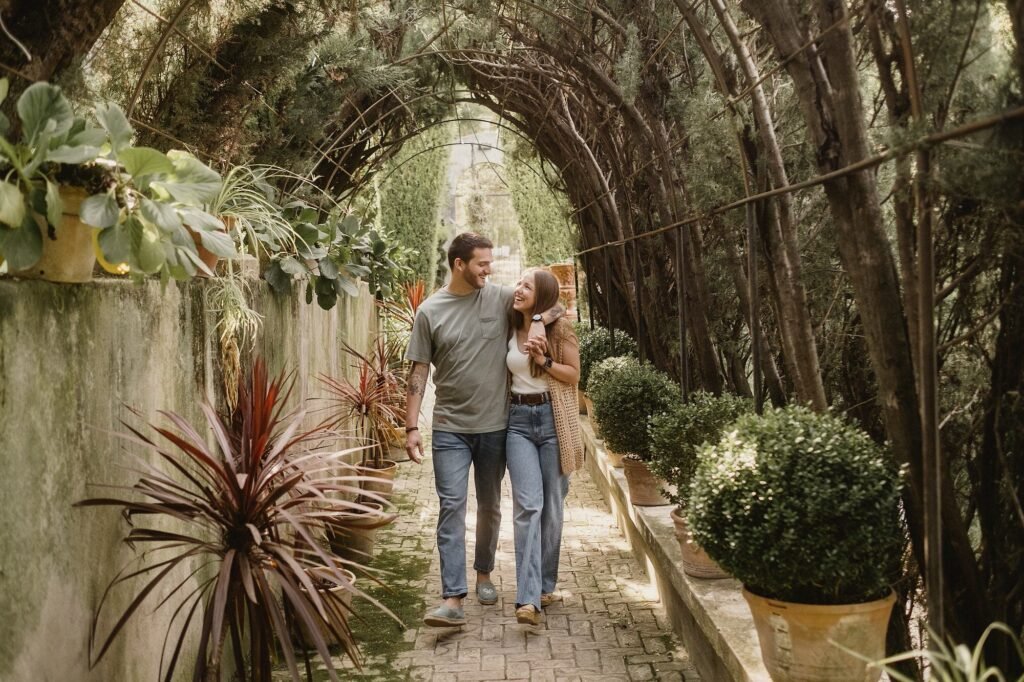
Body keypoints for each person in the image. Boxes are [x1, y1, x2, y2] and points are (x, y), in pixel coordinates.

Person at [404, 232, 563, 627]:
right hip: (449, 427)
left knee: (490, 506)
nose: (488, 270)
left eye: (490, 263)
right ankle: (452, 598)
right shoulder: (430, 311)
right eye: (482, 264)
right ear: (459, 264)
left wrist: (541, 320)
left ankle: (484, 573)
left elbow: (550, 301)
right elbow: (418, 371)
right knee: (451, 507)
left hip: (497, 426)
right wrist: (410, 426)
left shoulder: (498, 297)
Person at [504, 268, 583, 626]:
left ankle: (546, 584)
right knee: (528, 506)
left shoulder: (560, 329)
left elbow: (573, 375)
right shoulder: (508, 323)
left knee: (552, 506)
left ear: (543, 295)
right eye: (518, 283)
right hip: (517, 420)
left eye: (527, 286)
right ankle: (528, 597)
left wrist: (543, 361)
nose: (518, 289)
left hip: (553, 420)